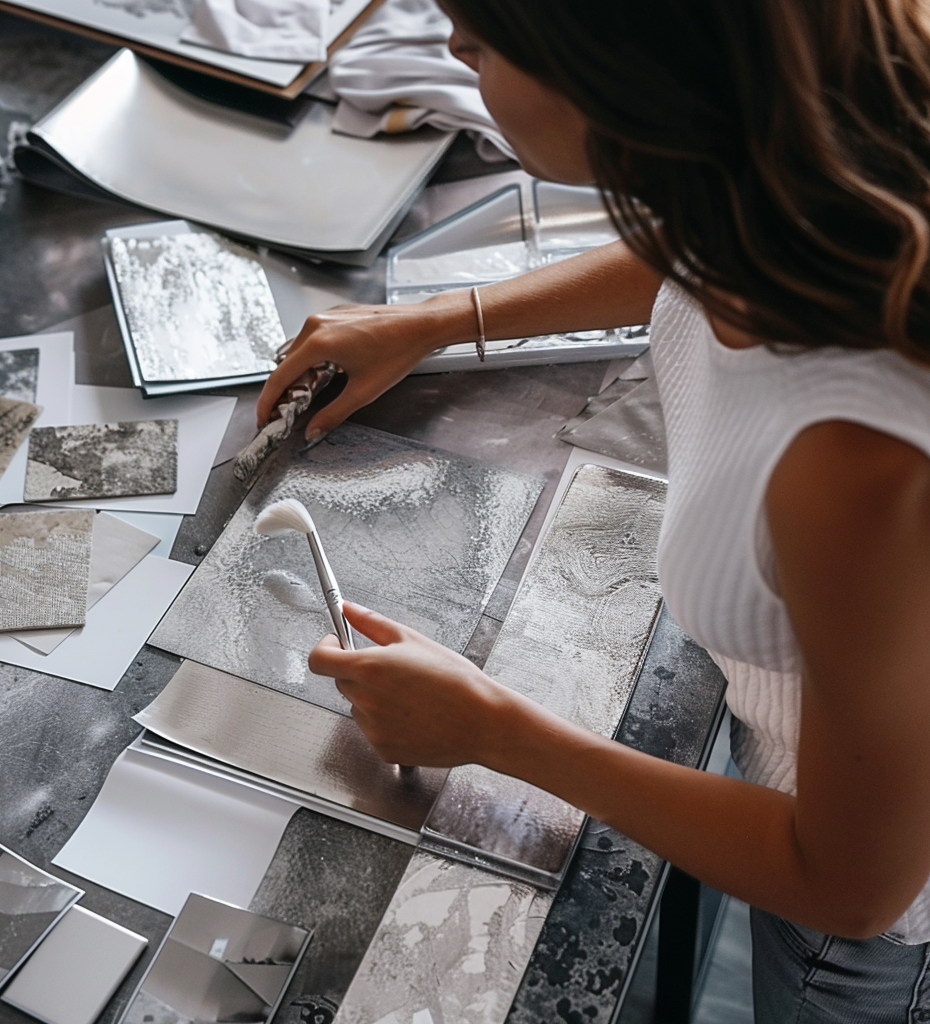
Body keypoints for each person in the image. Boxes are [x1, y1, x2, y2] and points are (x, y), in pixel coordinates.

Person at [256, 2, 930, 1020]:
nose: (453, 51)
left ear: (625, 61)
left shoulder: (852, 459)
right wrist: (442, 319)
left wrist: (493, 728)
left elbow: (851, 882)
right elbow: (700, 250)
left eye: (485, 33)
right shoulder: (800, 160)